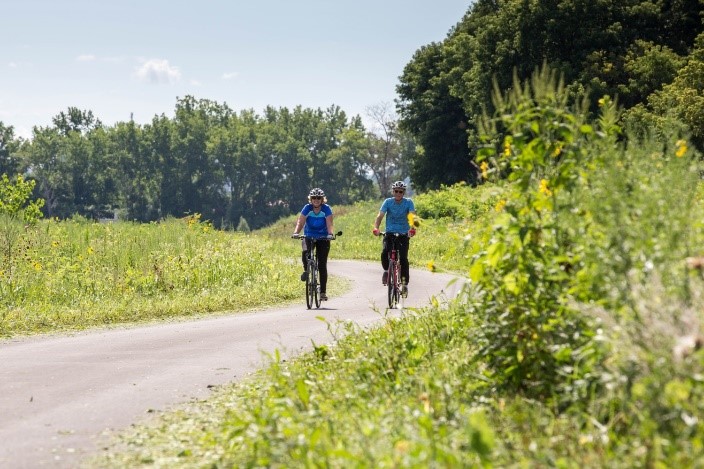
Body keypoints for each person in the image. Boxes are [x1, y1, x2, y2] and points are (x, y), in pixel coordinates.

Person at [372, 180, 416, 297]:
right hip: (390, 233)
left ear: (403, 192)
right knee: (384, 252)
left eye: (400, 192)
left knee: (403, 259)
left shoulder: (408, 202)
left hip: (403, 234)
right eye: (396, 191)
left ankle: (404, 284)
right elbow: (380, 216)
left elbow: (413, 216)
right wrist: (376, 228)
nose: (398, 193)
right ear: (393, 191)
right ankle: (386, 271)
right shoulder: (388, 202)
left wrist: (412, 229)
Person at [292, 188, 335, 301]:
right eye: (314, 198)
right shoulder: (307, 208)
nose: (316, 200)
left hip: (323, 237)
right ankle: (307, 271)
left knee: (322, 264)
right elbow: (300, 222)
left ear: (322, 199)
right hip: (309, 235)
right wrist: (296, 232)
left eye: (318, 198)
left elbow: (330, 224)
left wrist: (330, 234)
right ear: (311, 199)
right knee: (305, 254)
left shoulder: (326, 209)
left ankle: (323, 292)